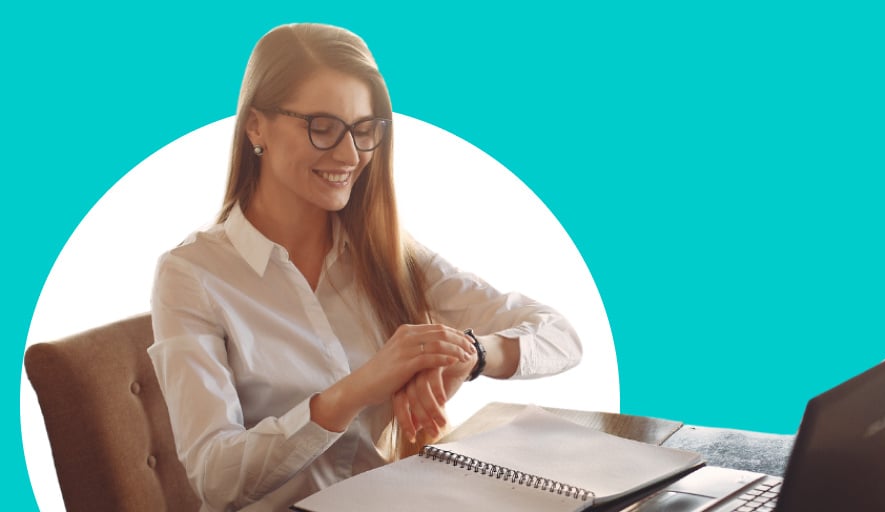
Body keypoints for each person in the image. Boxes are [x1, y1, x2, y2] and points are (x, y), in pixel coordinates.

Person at [147, 23, 582, 512]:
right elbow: (215, 478)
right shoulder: (191, 275)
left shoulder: (388, 255)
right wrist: (354, 391)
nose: (351, 155)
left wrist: (474, 354)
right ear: (255, 126)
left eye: (364, 129)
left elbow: (561, 337)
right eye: (323, 127)